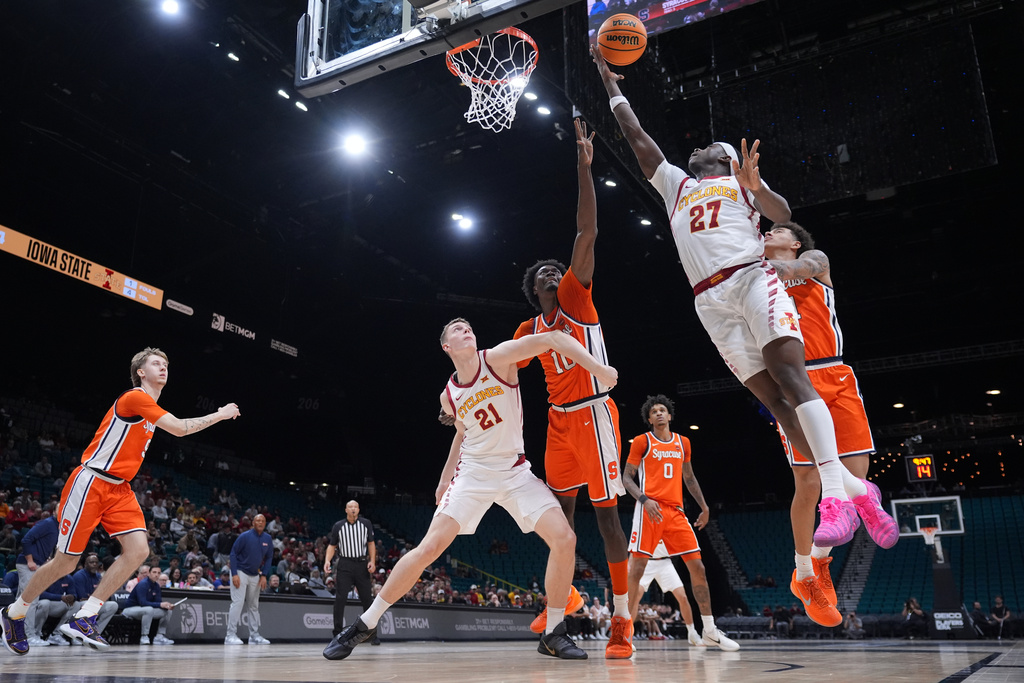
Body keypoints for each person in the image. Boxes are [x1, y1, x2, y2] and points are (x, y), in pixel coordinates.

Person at [592, 47, 898, 559]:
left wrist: (757, 190)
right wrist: (610, 86)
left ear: (726, 159)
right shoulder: (675, 185)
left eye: (708, 147)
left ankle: (838, 498)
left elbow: (784, 212)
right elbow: (638, 140)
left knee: (791, 378)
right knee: (775, 404)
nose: (696, 150)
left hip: (752, 279)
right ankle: (853, 488)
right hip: (709, 303)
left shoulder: (741, 182)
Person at [323, 318, 618, 662]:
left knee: (566, 539)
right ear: (446, 346)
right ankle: (365, 623)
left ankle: (553, 632)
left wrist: (598, 368)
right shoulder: (448, 397)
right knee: (429, 547)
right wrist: (445, 478)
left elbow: (553, 337)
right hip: (473, 476)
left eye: (468, 328)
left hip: (514, 471)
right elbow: (461, 434)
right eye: (457, 329)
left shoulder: (498, 358)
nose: (467, 330)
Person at [1, 347, 240, 656]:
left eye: (166, 364)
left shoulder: (151, 406)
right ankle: (15, 612)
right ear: (141, 371)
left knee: (139, 550)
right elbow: (180, 429)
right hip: (92, 482)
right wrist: (220, 414)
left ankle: (85, 616)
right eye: (156, 363)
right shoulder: (135, 397)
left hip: (120, 489)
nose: (163, 367)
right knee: (66, 561)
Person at [511, 119, 633, 659]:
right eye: (545, 273)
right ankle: (565, 600)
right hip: (558, 423)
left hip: (595, 415)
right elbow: (501, 379)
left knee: (607, 519)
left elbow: (587, 233)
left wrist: (584, 168)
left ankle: (624, 621)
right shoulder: (524, 333)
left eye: (557, 270)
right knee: (556, 520)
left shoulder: (576, 303)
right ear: (532, 288)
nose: (554, 272)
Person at [763, 221, 898, 626]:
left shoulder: (814, 263)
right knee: (807, 483)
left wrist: (749, 263)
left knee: (852, 483)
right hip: (794, 382)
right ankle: (803, 571)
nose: (769, 233)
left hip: (835, 377)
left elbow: (792, 271)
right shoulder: (757, 286)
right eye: (765, 231)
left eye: (777, 231)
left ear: (796, 241)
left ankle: (819, 563)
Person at [623, 395, 738, 652]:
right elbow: (626, 477)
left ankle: (709, 630)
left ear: (670, 416)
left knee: (698, 568)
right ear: (649, 419)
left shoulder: (683, 442)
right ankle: (624, 630)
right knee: (636, 571)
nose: (659, 414)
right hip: (649, 510)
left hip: (675, 512)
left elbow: (689, 477)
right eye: (654, 412)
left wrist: (705, 506)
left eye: (663, 410)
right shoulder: (643, 441)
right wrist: (644, 498)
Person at [325, 500, 378, 644]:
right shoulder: (338, 526)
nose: (353, 509)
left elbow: (371, 544)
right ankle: (337, 633)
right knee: (340, 599)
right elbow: (332, 545)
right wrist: (327, 560)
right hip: (345, 563)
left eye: (355, 507)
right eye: (350, 507)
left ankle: (372, 634)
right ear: (346, 510)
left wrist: (372, 561)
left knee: (367, 599)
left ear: (359, 509)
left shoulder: (366, 524)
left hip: (361, 563)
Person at [637, 540, 704, 647]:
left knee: (683, 597)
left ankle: (692, 633)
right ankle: (627, 636)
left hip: (665, 563)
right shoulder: (643, 523)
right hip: (646, 561)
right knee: (634, 598)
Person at [224, 513, 273, 645]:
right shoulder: (244, 536)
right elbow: (233, 553)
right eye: (258, 520)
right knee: (238, 603)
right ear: (253, 523)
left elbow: (269, 558)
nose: (260, 523)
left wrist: (264, 575)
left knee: (253, 606)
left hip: (255, 574)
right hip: (240, 571)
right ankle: (230, 635)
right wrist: (234, 573)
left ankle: (254, 636)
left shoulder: (267, 538)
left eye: (263, 521)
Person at [67, 553, 118, 640]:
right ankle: (78, 635)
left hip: (94, 603)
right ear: (85, 564)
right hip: (81, 604)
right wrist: (95, 597)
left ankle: (96, 632)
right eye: (91, 562)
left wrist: (94, 596)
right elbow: (82, 596)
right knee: (86, 603)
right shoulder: (79, 576)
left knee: (113, 605)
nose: (94, 564)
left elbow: (104, 594)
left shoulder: (98, 576)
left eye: (96, 562)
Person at [123, 565, 175, 645]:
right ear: (149, 574)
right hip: (130, 609)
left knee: (167, 611)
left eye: (158, 573)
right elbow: (142, 603)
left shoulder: (156, 586)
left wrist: (165, 605)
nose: (156, 575)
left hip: (145, 610)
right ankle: (144, 636)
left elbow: (158, 602)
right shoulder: (143, 584)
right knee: (149, 609)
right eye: (154, 572)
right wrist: (160, 604)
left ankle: (159, 636)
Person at [24, 574, 75, 648]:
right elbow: (40, 594)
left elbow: (74, 593)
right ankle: (35, 634)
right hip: (39, 604)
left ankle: (56, 634)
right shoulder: (46, 575)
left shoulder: (69, 578)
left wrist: (72, 597)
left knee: (75, 604)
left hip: (57, 604)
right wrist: (60, 597)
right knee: (45, 603)